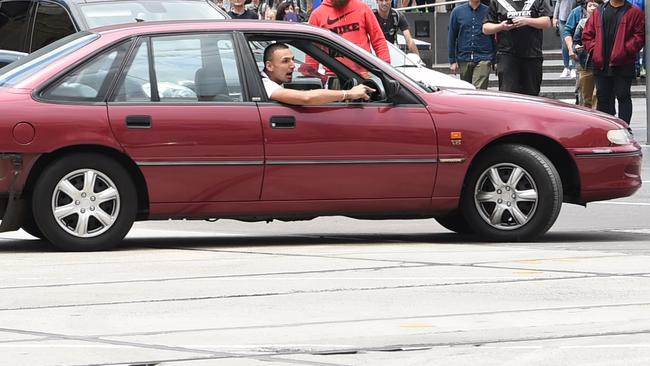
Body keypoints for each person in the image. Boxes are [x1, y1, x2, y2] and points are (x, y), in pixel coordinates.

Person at [582, 0, 645, 125]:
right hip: (601, 63)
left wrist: (624, 50)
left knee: (623, 96)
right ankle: (605, 128)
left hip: (623, 62)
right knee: (603, 98)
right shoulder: (599, 11)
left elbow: (639, 36)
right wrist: (595, 50)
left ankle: (624, 128)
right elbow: (587, 34)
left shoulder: (634, 11)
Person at [262, 43, 374, 105]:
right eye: (285, 61)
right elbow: (306, 98)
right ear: (269, 66)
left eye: (293, 60)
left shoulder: (271, 83)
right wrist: (348, 93)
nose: (292, 65)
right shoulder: (266, 85)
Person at [483, 0, 551, 96]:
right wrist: (501, 26)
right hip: (507, 54)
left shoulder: (537, 1)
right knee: (508, 94)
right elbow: (486, 28)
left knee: (532, 94)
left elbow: (547, 22)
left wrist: (527, 21)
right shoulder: (497, 2)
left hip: (532, 55)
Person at [308, 0, 391, 64]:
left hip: (364, 74)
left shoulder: (362, 8)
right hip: (333, 77)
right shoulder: (317, 15)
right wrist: (310, 76)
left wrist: (386, 69)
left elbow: (378, 41)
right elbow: (311, 55)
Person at [447, 0, 494, 89]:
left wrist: (495, 59)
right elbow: (452, 36)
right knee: (466, 90)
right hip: (464, 57)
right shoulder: (457, 12)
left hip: (484, 56)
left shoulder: (488, 11)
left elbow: (494, 37)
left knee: (479, 90)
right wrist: (452, 60)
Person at [564, 0, 600, 107]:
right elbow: (569, 33)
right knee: (584, 95)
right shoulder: (578, 16)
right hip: (584, 61)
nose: (592, 7)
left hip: (600, 62)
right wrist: (573, 48)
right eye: (590, 5)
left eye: (595, 5)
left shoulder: (605, 17)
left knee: (598, 95)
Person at [553, 0, 577, 78]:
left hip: (575, 16)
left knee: (574, 43)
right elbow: (558, 2)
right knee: (564, 44)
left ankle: (574, 67)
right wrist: (555, 17)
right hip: (563, 18)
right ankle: (566, 67)